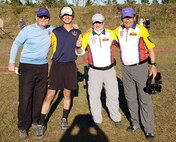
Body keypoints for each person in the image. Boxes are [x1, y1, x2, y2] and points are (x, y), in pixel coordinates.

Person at [36, 6, 82, 139]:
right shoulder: (55, 31)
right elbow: (45, 43)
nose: (67, 17)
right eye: (64, 15)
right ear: (61, 17)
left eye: (69, 15)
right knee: (50, 94)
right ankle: (41, 123)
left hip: (70, 66)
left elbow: (79, 52)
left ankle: (64, 119)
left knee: (67, 94)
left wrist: (79, 47)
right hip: (57, 66)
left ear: (72, 16)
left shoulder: (78, 32)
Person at [8, 8, 53, 139]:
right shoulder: (27, 30)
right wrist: (12, 62)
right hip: (27, 66)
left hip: (43, 67)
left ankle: (35, 121)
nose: (43, 19)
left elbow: (62, 32)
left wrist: (73, 27)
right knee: (25, 97)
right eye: (41, 17)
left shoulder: (51, 29)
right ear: (36, 17)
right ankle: (23, 126)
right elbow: (16, 44)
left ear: (49, 19)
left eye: (45, 17)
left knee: (39, 96)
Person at [113, 7, 157, 141]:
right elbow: (106, 34)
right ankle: (135, 123)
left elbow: (150, 48)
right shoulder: (118, 31)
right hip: (126, 69)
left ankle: (148, 128)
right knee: (130, 98)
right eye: (125, 18)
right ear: (122, 19)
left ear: (133, 18)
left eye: (130, 17)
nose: (127, 20)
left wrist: (153, 66)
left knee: (144, 98)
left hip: (140, 68)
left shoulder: (141, 30)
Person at [78, 13, 122, 127]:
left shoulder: (111, 33)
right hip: (94, 71)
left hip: (109, 70)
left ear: (103, 23)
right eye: (95, 22)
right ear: (92, 24)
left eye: (100, 22)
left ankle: (116, 118)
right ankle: (97, 119)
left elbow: (121, 44)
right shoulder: (87, 36)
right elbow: (80, 52)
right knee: (94, 95)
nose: (98, 24)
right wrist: (78, 46)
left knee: (113, 94)